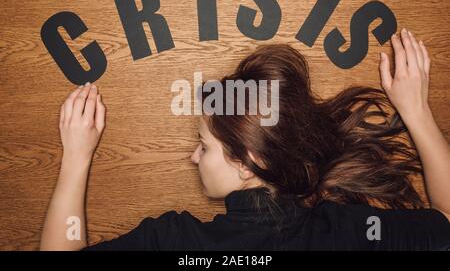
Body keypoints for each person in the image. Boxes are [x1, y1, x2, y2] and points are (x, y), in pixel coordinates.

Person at [40, 28, 450, 250]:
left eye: (203, 145)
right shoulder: (351, 232)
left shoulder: (174, 242)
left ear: (245, 163)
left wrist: (76, 158)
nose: (192, 157)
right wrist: (415, 110)